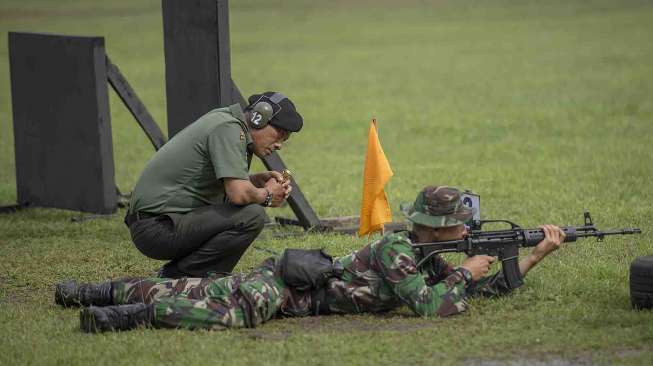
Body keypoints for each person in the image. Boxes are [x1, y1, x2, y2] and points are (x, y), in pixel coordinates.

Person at [56, 186, 566, 332]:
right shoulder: (398, 249)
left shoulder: (428, 255)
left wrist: (538, 253)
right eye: (461, 223)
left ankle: (92, 292)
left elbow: (486, 288)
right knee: (233, 311)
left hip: (297, 290)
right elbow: (432, 307)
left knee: (193, 289)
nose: (468, 230)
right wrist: (464, 272)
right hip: (287, 287)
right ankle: (127, 314)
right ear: (436, 227)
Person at [124, 92, 303, 278]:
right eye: (279, 135)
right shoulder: (229, 129)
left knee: (247, 212)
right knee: (251, 216)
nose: (279, 145)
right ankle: (182, 276)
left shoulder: (227, 122)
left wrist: (256, 180)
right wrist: (267, 195)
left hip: (159, 222)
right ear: (260, 118)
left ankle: (183, 274)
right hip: (156, 229)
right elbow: (238, 194)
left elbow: (221, 183)